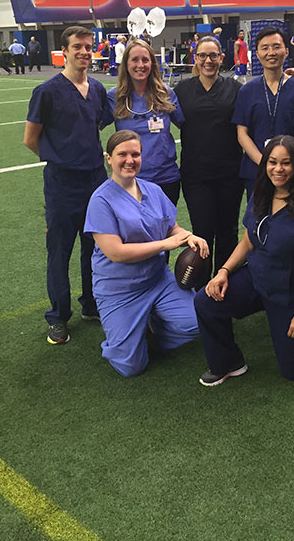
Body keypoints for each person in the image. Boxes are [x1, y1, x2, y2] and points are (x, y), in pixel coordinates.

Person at [194, 136, 294, 385]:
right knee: (205, 301)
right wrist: (224, 271)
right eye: (272, 162)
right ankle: (228, 363)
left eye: (286, 163)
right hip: (257, 279)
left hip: (290, 292)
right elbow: (247, 242)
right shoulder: (260, 195)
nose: (278, 169)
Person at [84, 130, 206, 377]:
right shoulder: (101, 200)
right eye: (122, 154)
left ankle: (151, 327)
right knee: (130, 367)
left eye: (135, 154)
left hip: (157, 280)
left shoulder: (153, 190)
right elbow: (116, 253)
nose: (130, 160)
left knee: (198, 322)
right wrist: (165, 245)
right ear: (109, 158)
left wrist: (188, 236)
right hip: (120, 290)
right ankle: (131, 335)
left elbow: (171, 226)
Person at [24, 26, 108, 345]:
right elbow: (30, 139)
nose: (85, 52)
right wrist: (60, 161)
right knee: (59, 253)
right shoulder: (46, 91)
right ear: (65, 51)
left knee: (95, 249)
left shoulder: (98, 89)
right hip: (62, 185)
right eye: (78, 47)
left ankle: (91, 304)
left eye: (88, 47)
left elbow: (94, 126)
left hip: (95, 183)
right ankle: (58, 317)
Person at [174, 35, 243, 284]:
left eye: (213, 55)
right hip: (196, 176)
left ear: (221, 58)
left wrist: (287, 79)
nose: (208, 61)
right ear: (196, 57)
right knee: (202, 232)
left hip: (230, 174)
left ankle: (225, 286)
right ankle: (202, 290)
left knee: (228, 232)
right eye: (202, 55)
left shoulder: (235, 89)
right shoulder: (182, 90)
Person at [232, 27, 294, 199]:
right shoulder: (247, 91)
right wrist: (266, 164)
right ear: (256, 54)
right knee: (257, 221)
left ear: (286, 51)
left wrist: (286, 162)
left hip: (292, 171)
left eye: (276, 46)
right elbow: (242, 134)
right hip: (256, 171)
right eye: (265, 48)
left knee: (293, 221)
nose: (271, 52)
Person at [103, 39, 183, 206]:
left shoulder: (165, 93)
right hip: (129, 180)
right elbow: (92, 127)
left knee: (166, 230)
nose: (141, 65)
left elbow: (186, 125)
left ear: (152, 64)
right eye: (135, 60)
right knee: (132, 231)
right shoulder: (114, 97)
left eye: (145, 60)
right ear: (126, 64)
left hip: (165, 179)